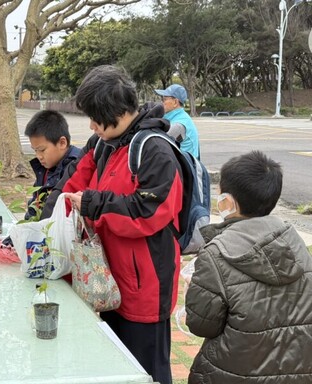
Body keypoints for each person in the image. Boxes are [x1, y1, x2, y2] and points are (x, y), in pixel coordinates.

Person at [63, 65, 183, 384]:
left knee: (148, 373)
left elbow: (147, 213)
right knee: (118, 370)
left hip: (145, 290)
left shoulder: (153, 150)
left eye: (94, 117)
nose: (91, 125)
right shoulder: (111, 144)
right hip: (113, 286)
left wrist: (93, 203)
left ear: (113, 112)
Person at [185, 150, 312, 383]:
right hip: (296, 370)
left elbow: (201, 324)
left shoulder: (216, 255)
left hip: (231, 371)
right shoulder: (296, 245)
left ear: (228, 202)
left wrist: (196, 290)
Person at [23, 110, 81, 221]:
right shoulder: (46, 166)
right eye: (35, 151)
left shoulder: (77, 166)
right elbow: (35, 204)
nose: (39, 156)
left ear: (62, 143)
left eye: (42, 150)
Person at [154, 84, 200, 158]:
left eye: (164, 99)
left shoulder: (179, 125)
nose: (162, 103)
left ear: (175, 102)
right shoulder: (178, 117)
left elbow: (157, 145)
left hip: (184, 168)